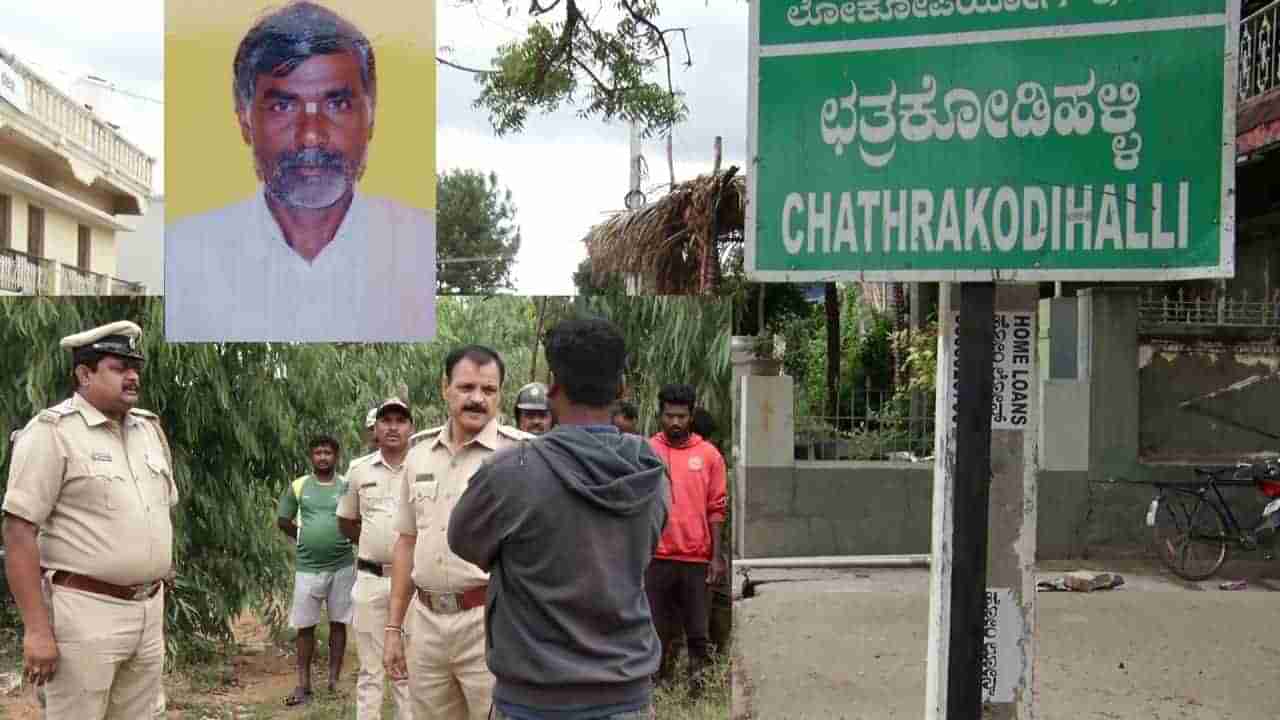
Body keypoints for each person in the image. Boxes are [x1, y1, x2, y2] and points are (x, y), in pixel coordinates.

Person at [165, 0, 435, 342]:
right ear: (244, 118)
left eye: (337, 104)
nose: (311, 135)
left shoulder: (423, 249)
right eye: (283, 106)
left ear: (371, 114)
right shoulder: (183, 258)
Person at [449, 317, 669, 720]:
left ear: (553, 387)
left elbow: (464, 542)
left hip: (532, 702)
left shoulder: (509, 473)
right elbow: (646, 547)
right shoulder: (650, 472)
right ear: (621, 388)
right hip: (626, 696)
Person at [2, 321, 176, 719]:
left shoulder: (148, 430)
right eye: (118, 367)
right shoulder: (52, 433)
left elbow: (158, 512)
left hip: (149, 609)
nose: (132, 376)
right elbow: (18, 533)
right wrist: (37, 629)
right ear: (84, 374)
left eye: (135, 367)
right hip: (85, 612)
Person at [383, 346, 532, 720]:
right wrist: (392, 627)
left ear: (499, 393)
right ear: (444, 388)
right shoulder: (418, 455)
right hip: (427, 624)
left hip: (492, 625)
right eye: (466, 387)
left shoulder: (523, 456)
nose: (477, 399)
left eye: (489, 389)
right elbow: (406, 542)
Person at [646, 384, 728, 695]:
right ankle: (654, 689)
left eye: (681, 416)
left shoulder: (709, 456)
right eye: (670, 416)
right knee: (654, 630)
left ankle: (699, 692)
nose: (675, 422)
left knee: (697, 632)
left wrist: (716, 556)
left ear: (691, 416)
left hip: (696, 559)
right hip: (656, 557)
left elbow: (717, 508)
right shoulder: (646, 450)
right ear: (660, 415)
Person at [338, 398, 416, 719]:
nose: (393, 427)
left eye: (400, 420)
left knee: (408, 672)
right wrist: (373, 546)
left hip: (412, 584)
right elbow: (345, 520)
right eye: (386, 421)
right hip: (370, 580)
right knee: (370, 671)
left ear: (411, 427)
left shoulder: (422, 466)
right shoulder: (358, 470)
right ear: (375, 429)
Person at [276, 435, 356, 706]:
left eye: (328, 453)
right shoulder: (299, 486)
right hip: (308, 568)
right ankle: (303, 685)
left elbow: (357, 517)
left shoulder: (347, 485)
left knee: (338, 622)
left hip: (343, 565)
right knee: (305, 626)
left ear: (337, 456)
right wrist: (304, 536)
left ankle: (334, 682)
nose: (323, 457)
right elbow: (283, 519)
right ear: (311, 457)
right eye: (318, 453)